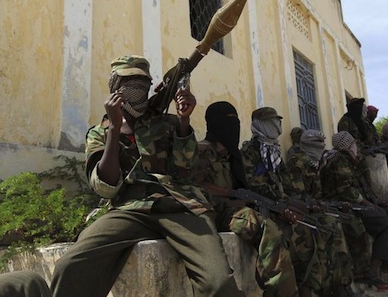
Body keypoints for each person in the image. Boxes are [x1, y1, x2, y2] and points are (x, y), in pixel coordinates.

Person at [50, 55, 244, 297]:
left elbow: (186, 169)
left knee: (218, 282)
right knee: (70, 266)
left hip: (180, 207)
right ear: (115, 87)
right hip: (130, 210)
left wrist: (184, 121)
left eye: (143, 85)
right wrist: (113, 127)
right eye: (130, 84)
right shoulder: (99, 133)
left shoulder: (167, 123)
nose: (138, 91)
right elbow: (106, 188)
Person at [193, 101, 299, 297]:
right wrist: (232, 202)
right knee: (262, 225)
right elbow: (194, 191)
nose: (234, 126)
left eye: (236, 120)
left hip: (232, 211)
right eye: (229, 121)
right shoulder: (202, 151)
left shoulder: (233, 156)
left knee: (282, 228)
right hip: (210, 215)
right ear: (215, 123)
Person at [240, 107, 327, 297]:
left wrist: (296, 203)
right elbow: (253, 186)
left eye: (278, 122)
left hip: (280, 207)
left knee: (313, 231)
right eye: (272, 122)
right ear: (260, 125)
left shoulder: (274, 150)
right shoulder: (250, 152)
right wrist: (281, 205)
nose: (277, 126)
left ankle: (309, 289)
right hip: (263, 209)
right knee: (294, 237)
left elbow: (286, 186)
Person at [320, 131, 388, 284]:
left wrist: (375, 200)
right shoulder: (339, 160)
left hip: (354, 203)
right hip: (344, 205)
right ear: (349, 145)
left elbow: (360, 186)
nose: (356, 146)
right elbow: (346, 190)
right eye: (354, 143)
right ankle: (373, 269)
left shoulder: (348, 159)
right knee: (387, 225)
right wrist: (367, 203)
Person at [285, 129, 356, 296]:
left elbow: (317, 195)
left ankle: (341, 282)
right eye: (318, 144)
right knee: (326, 228)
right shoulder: (297, 163)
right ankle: (327, 286)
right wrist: (313, 205)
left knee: (336, 225)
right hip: (298, 211)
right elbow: (295, 194)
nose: (322, 147)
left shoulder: (314, 163)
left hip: (311, 210)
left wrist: (323, 204)